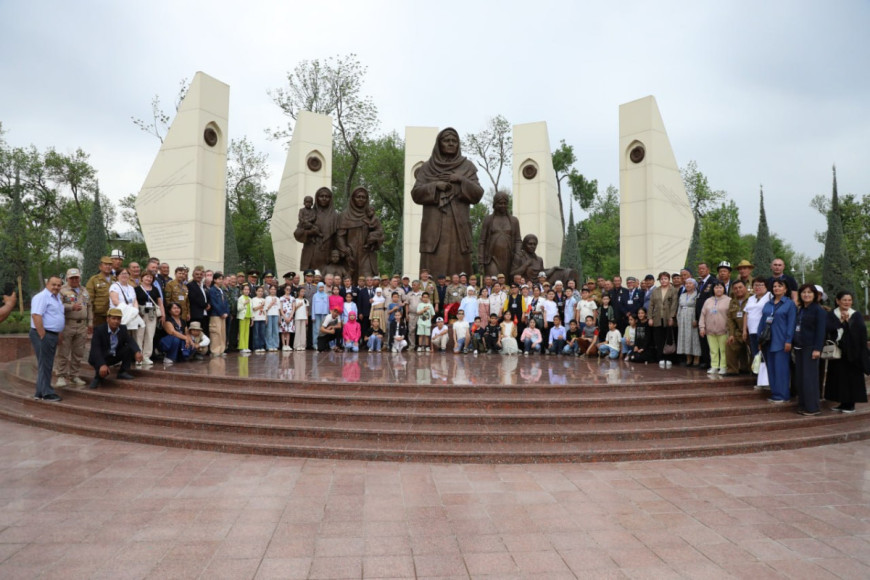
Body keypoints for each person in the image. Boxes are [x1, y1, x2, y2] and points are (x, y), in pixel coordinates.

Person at [411, 127, 484, 276]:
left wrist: (461, 180)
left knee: (460, 268)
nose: (451, 143)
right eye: (446, 140)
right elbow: (416, 194)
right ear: (439, 143)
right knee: (432, 271)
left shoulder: (467, 167)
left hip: (458, 228)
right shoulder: (427, 167)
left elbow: (478, 194)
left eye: (454, 141)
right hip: (433, 227)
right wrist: (435, 186)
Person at [825, 291, 869, 413]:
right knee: (838, 378)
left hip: (852, 353)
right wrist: (841, 322)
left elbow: (861, 333)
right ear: (838, 301)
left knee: (852, 379)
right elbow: (828, 328)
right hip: (837, 352)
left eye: (849, 300)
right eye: (844, 300)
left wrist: (848, 322)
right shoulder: (832, 314)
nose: (847, 302)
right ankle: (842, 403)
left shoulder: (856, 315)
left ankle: (850, 404)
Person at [758, 279, 796, 403]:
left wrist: (789, 340)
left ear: (785, 289)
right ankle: (775, 393)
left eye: (780, 286)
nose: (776, 288)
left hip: (781, 341)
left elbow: (791, 324)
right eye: (774, 286)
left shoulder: (789, 304)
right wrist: (759, 339)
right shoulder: (768, 304)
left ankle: (783, 395)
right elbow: (762, 322)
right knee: (771, 369)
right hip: (768, 341)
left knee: (781, 369)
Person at [336, 186, 385, 281]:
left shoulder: (370, 215)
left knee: (367, 280)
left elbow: (380, 232)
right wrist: (345, 250)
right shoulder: (345, 215)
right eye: (358, 197)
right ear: (353, 198)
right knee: (349, 281)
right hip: (350, 254)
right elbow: (340, 236)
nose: (361, 199)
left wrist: (376, 239)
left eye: (363, 197)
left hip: (366, 253)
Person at [87, 307, 143, 388]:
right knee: (102, 372)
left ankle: (122, 372)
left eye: (118, 319)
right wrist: (102, 364)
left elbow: (130, 341)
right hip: (100, 357)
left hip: (114, 355)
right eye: (113, 318)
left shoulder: (122, 328)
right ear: (107, 319)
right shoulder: (99, 330)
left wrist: (137, 351)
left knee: (129, 348)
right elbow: (96, 350)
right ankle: (97, 378)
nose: (116, 321)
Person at [793, 284, 827, 415]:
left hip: (811, 348)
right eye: (803, 292)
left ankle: (812, 407)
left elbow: (821, 331)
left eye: (809, 292)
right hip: (799, 347)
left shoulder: (819, 310)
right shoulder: (801, 309)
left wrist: (817, 349)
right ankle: (803, 405)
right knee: (801, 378)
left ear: (815, 295)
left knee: (809, 379)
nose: (806, 295)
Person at [30, 276, 65, 402]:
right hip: (44, 334)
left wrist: (58, 333)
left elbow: (57, 315)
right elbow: (36, 315)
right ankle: (47, 393)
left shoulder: (57, 298)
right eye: (53, 284)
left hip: (52, 334)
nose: (56, 287)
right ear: (47, 284)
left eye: (59, 285)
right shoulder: (41, 297)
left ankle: (40, 392)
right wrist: (42, 335)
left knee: (45, 364)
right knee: (46, 364)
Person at [55, 268, 90, 387]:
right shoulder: (62, 290)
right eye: (72, 278)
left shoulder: (84, 290)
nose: (74, 280)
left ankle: (74, 375)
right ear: (67, 278)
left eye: (76, 278)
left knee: (78, 352)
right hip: (67, 324)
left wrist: (90, 322)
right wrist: (71, 307)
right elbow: (57, 306)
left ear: (80, 278)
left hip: (81, 325)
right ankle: (61, 375)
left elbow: (89, 306)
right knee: (64, 352)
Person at [478, 190, 522, 278]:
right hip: (491, 258)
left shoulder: (514, 221)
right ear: (495, 204)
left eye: (505, 203)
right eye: (500, 203)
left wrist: (517, 255)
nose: (503, 205)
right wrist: (480, 260)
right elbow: (482, 241)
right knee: (494, 280)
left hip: (509, 258)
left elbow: (518, 240)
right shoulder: (488, 220)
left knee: (506, 282)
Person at [295, 186, 341, 272]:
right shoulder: (309, 213)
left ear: (330, 199)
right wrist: (311, 232)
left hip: (328, 254)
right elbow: (297, 233)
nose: (324, 198)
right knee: (312, 278)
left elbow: (339, 237)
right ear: (317, 198)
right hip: (312, 253)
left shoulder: (336, 216)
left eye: (327, 196)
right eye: (321, 196)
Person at [699, 282, 731, 375]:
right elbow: (703, 314)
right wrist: (702, 327)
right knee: (713, 350)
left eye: (720, 287)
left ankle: (723, 367)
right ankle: (714, 366)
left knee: (723, 350)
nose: (718, 289)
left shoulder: (729, 300)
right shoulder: (708, 300)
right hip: (710, 330)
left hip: (724, 330)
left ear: (724, 289)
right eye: (716, 287)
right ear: (713, 289)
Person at [649, 271, 678, 368]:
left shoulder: (673, 290)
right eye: (661, 279)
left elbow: (674, 304)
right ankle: (660, 357)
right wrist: (650, 318)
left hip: (668, 318)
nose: (663, 280)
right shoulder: (655, 291)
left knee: (668, 338)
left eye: (665, 279)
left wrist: (671, 317)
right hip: (657, 317)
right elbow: (651, 305)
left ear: (669, 280)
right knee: (658, 339)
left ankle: (669, 358)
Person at [134, 271, 163, 365]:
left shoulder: (155, 289)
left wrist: (163, 314)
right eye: (147, 276)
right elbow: (134, 301)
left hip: (152, 314)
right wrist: (136, 312)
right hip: (140, 313)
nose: (148, 279)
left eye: (151, 277)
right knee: (139, 335)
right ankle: (138, 357)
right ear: (142, 278)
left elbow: (160, 303)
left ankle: (146, 356)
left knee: (150, 335)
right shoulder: (136, 289)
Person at [724, 280, 751, 376]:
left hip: (750, 331)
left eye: (740, 287)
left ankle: (749, 369)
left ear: (745, 288)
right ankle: (732, 370)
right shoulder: (733, 301)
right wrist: (731, 334)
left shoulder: (751, 299)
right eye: (735, 288)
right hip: (738, 331)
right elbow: (730, 319)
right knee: (730, 344)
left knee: (751, 350)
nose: (738, 290)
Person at [743, 276, 770, 363]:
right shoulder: (751, 298)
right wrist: (744, 330)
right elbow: (746, 313)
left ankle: (766, 371)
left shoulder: (769, 296)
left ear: (766, 286)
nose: (757, 287)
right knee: (756, 354)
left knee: (764, 354)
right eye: (755, 285)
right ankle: (758, 371)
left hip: (764, 331)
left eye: (760, 285)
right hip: (752, 331)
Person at [676, 278, 701, 366]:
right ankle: (688, 358)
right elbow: (679, 307)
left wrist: (695, 319)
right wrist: (678, 319)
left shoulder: (697, 294)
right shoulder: (682, 295)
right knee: (684, 337)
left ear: (694, 285)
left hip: (692, 316)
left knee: (694, 337)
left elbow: (697, 308)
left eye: (690, 283)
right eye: (686, 283)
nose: (688, 285)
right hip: (683, 317)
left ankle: (696, 358)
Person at [86, 256, 115, 328]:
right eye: (106, 264)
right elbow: (90, 298)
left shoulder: (115, 279)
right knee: (99, 333)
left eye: (110, 265)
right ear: (100, 267)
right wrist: (90, 314)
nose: (108, 266)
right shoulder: (94, 280)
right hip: (98, 315)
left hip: (113, 314)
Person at [206, 273, 228, 357]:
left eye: (222, 279)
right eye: (219, 279)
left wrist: (226, 312)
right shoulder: (212, 290)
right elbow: (214, 303)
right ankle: (215, 350)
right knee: (216, 332)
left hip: (223, 315)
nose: (221, 280)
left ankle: (222, 350)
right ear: (214, 280)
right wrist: (221, 313)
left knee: (222, 333)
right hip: (215, 314)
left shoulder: (221, 290)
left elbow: (226, 302)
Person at [236, 284, 253, 355]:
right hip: (242, 317)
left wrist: (252, 318)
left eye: (248, 289)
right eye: (245, 289)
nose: (247, 291)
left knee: (247, 332)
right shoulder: (241, 298)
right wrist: (244, 303)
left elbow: (251, 309)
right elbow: (238, 308)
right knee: (242, 332)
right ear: (242, 290)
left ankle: (246, 346)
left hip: (248, 317)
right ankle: (242, 347)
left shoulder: (250, 298)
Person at [264, 284, 281, 352]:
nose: (273, 291)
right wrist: (272, 303)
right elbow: (266, 308)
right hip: (269, 315)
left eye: (274, 289)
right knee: (269, 331)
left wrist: (279, 318)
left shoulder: (278, 299)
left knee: (276, 331)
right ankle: (269, 346)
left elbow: (279, 309)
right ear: (269, 290)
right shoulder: (267, 298)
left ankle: (275, 345)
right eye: (271, 289)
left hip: (276, 315)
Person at [250, 286, 267, 354]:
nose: (260, 292)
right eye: (259, 291)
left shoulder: (264, 300)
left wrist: (266, 318)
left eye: (261, 291)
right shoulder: (253, 299)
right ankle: (256, 347)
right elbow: (253, 309)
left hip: (262, 318)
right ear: (256, 292)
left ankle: (262, 346)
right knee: (256, 333)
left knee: (262, 333)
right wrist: (260, 306)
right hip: (256, 318)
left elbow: (265, 310)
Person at [279, 285, 295, 351]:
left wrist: (290, 316)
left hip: (290, 316)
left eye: (289, 289)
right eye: (287, 289)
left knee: (288, 331)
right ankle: (284, 345)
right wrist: (284, 317)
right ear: (284, 289)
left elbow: (293, 308)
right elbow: (281, 309)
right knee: (283, 331)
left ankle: (288, 345)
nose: (288, 290)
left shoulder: (292, 298)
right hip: (283, 316)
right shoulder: (281, 298)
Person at [292, 287, 309, 351]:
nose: (303, 293)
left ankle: (303, 345)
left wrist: (307, 319)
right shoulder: (295, 300)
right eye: (301, 291)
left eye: (304, 292)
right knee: (297, 331)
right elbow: (293, 310)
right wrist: (298, 306)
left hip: (304, 317)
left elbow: (307, 310)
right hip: (297, 317)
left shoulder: (305, 300)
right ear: (298, 292)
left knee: (303, 332)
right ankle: (297, 345)